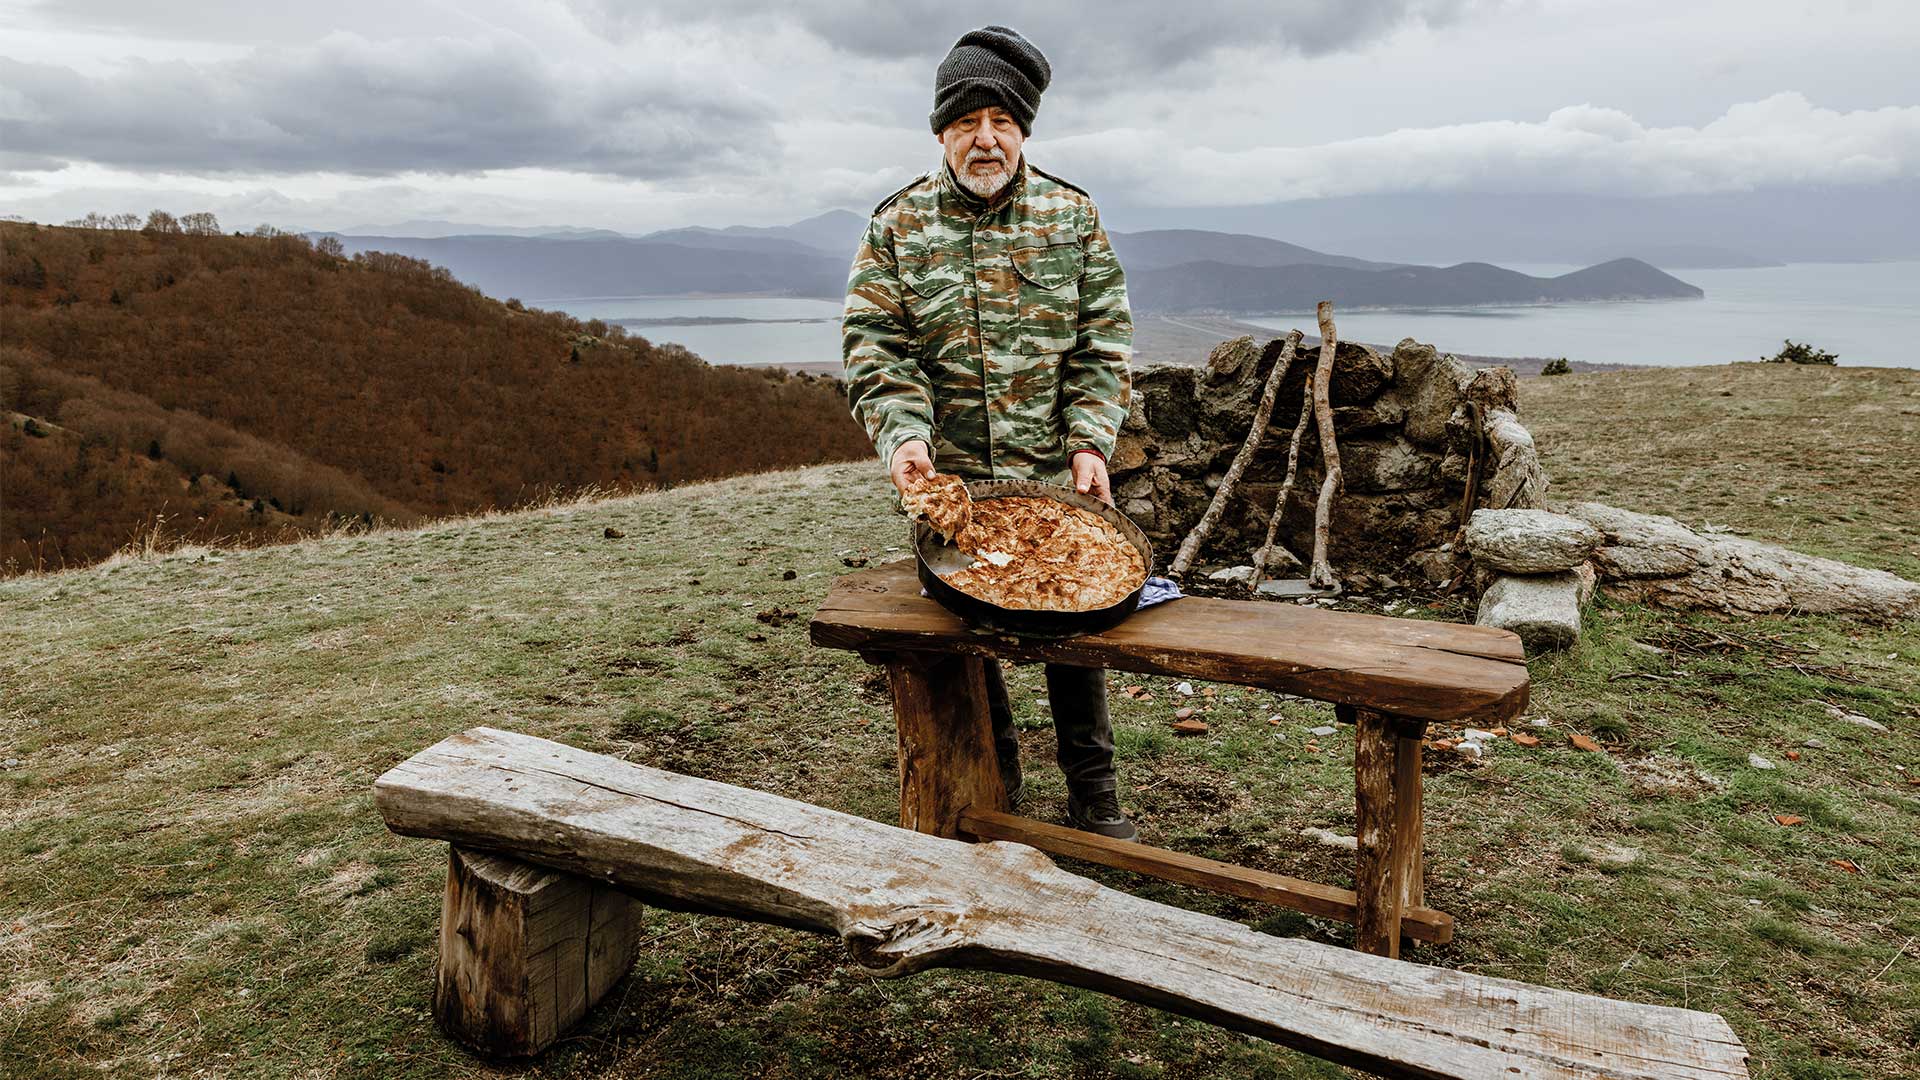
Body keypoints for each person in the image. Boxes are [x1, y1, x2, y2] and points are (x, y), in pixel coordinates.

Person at [841, 25, 1137, 840]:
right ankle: (996, 782)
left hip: (1052, 479)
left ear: (1024, 131)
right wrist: (905, 438)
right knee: (969, 631)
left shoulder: (1071, 217)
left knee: (1075, 616)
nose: (986, 139)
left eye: (1002, 122)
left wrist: (1089, 442)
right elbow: (878, 349)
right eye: (968, 121)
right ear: (941, 130)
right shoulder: (896, 228)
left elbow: (1100, 344)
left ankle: (1094, 789)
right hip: (955, 488)